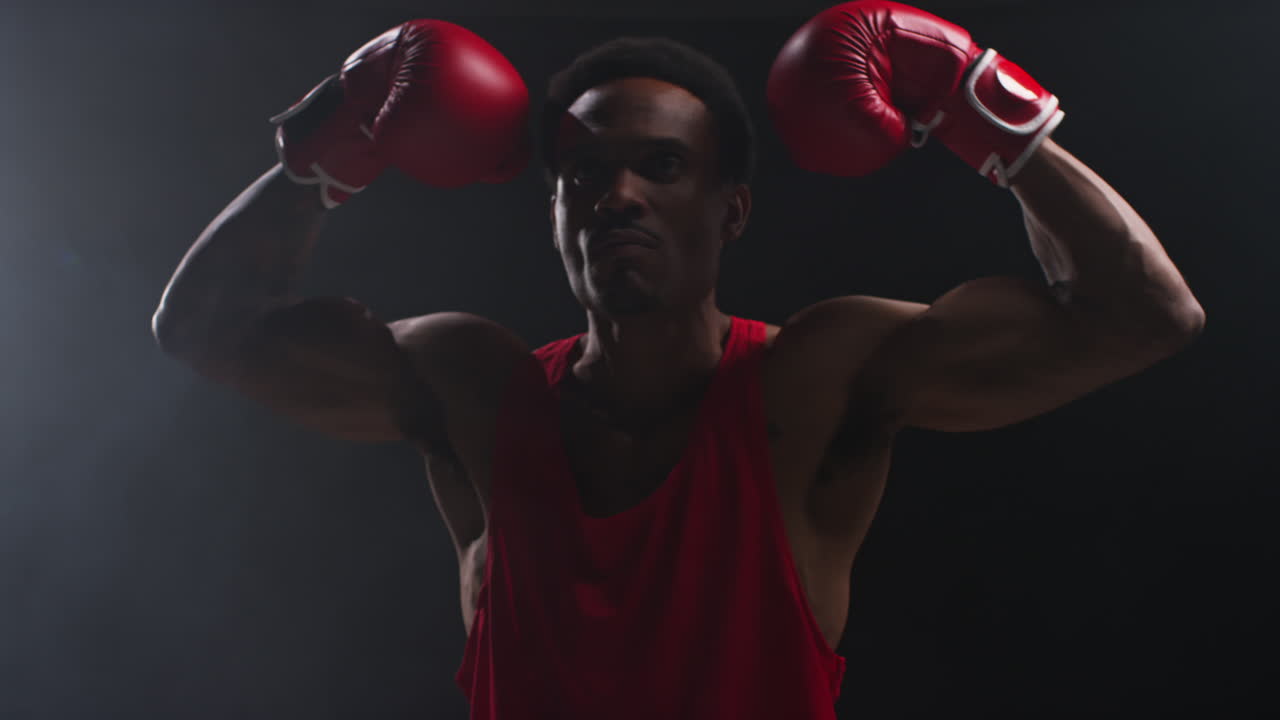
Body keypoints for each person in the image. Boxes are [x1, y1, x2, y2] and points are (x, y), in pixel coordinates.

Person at [152, 2, 1204, 717]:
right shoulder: (475, 387)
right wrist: (330, 140)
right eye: (582, 173)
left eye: (661, 167)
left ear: (728, 210)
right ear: (552, 210)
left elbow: (1141, 315)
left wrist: (984, 108)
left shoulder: (812, 380)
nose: (616, 196)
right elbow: (204, 329)